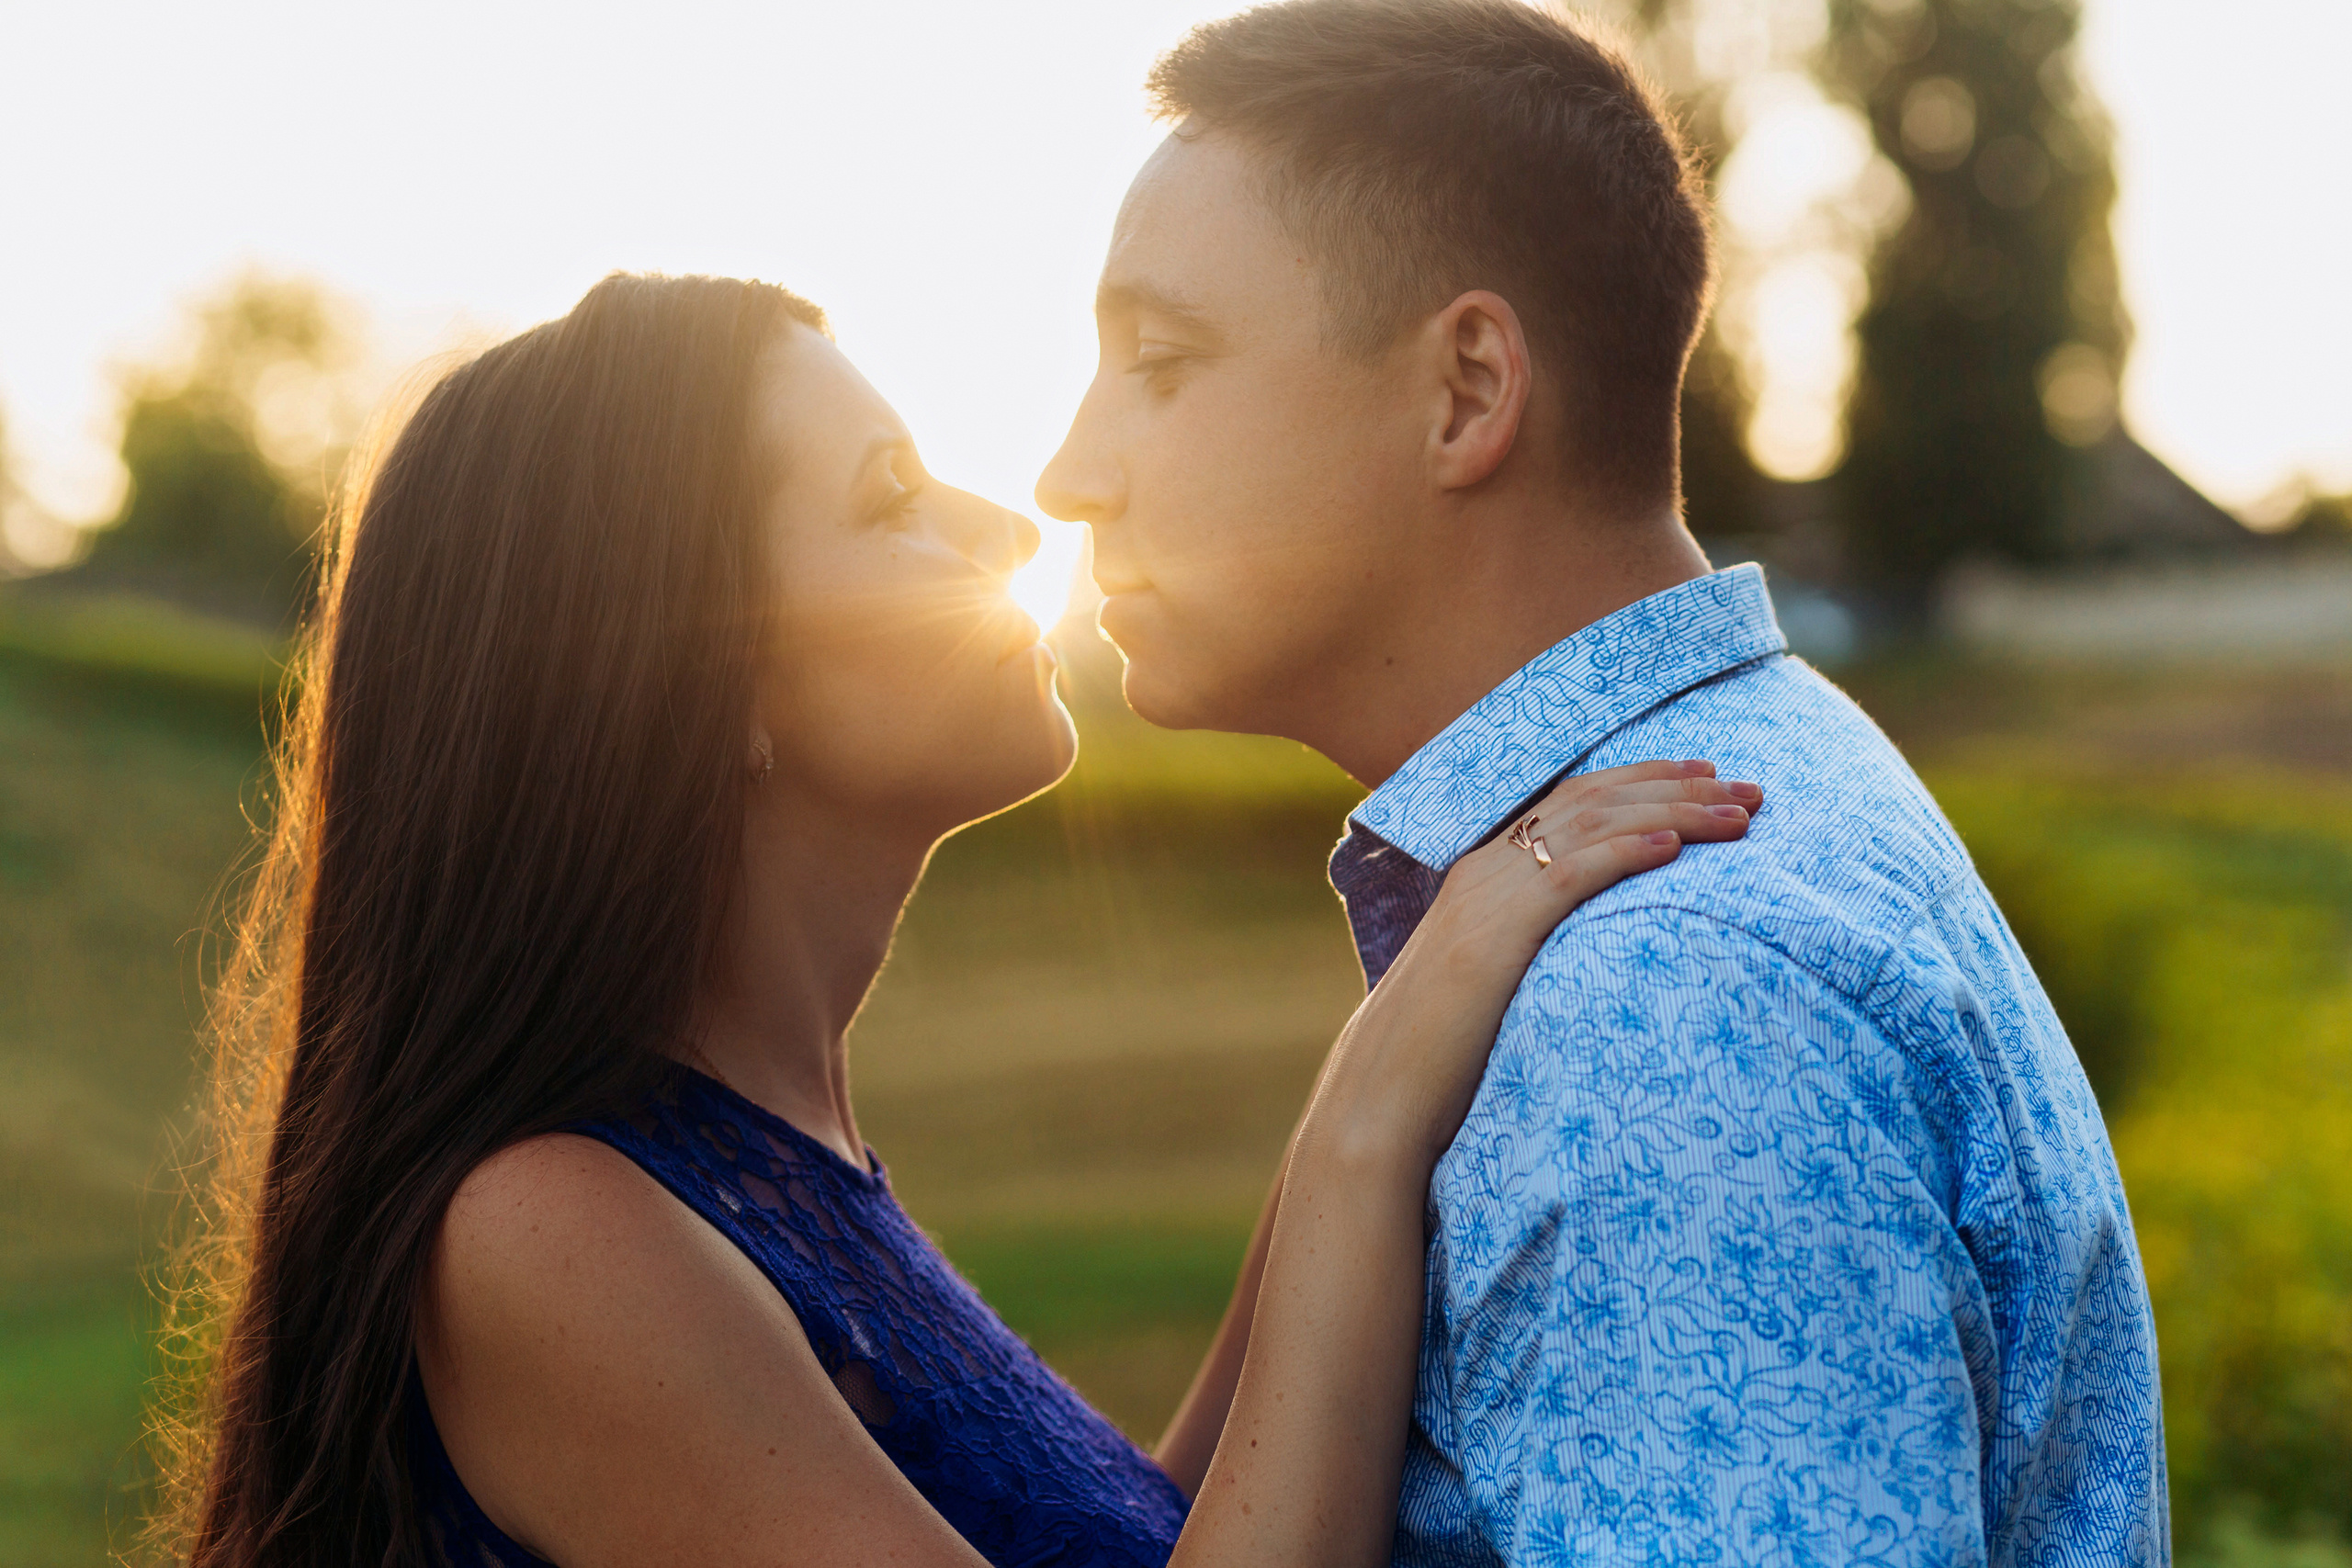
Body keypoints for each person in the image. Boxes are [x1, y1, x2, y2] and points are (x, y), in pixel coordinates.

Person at [156, 270, 1762, 1568]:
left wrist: (1400, 1033)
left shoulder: (775, 1169)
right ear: (701, 674)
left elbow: (1136, 1537)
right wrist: (1364, 1123)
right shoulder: (552, 1241)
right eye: (889, 500)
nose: (1007, 534)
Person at [1035, 1, 2167, 1563]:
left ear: (1467, 389)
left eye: (1163, 362)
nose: (1068, 474)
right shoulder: (1738, 803)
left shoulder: (1673, 1002)